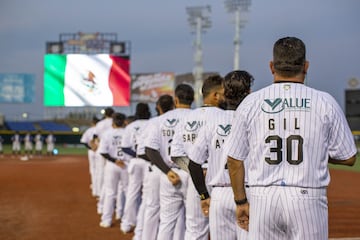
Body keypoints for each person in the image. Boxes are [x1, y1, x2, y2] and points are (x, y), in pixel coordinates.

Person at [226, 36, 357, 240]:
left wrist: (241, 201)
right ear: (306, 66)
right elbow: (349, 157)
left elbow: (234, 160)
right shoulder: (325, 102)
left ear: (272, 66)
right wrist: (315, 152)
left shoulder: (251, 103)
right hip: (307, 196)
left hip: (262, 197)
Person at [188, 70, 253, 240]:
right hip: (248, 192)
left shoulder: (212, 122)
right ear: (249, 93)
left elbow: (193, 164)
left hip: (219, 195)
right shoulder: (253, 120)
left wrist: (203, 196)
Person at [170, 74, 225, 240]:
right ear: (215, 95)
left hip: (195, 178)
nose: (227, 97)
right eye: (224, 93)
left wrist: (195, 171)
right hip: (221, 179)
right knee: (224, 230)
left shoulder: (187, 118)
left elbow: (175, 154)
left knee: (195, 230)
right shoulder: (225, 117)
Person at [144, 84, 194, 240]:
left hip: (169, 174)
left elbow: (150, 150)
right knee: (193, 224)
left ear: (176, 100)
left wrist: (167, 171)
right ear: (193, 100)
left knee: (167, 222)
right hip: (194, 175)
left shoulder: (160, 120)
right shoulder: (198, 117)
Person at [133, 95, 174, 240]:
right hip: (178, 170)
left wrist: (159, 162)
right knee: (178, 213)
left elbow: (141, 152)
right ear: (174, 105)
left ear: (158, 106)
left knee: (152, 207)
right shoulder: (185, 120)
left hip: (157, 169)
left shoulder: (153, 122)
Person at [120, 103, 151, 234]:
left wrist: (137, 153)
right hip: (149, 162)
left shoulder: (131, 126)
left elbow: (125, 147)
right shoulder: (152, 123)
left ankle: (127, 223)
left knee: (132, 193)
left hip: (136, 162)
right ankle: (142, 226)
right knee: (147, 196)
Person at [98, 112, 129, 228]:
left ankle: (106, 220)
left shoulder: (107, 133)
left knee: (110, 193)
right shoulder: (128, 132)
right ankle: (125, 220)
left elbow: (103, 152)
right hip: (126, 164)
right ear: (124, 121)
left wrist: (114, 160)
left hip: (112, 165)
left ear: (113, 122)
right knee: (127, 192)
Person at [92, 107, 115, 215]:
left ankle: (100, 194)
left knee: (101, 173)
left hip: (102, 150)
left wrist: (94, 146)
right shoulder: (115, 121)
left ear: (105, 114)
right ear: (113, 113)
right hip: (114, 151)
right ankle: (114, 199)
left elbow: (94, 138)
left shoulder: (100, 124)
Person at [80, 116, 99, 197]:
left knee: (93, 169)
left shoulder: (89, 130)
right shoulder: (100, 130)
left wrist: (90, 148)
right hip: (99, 151)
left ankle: (94, 187)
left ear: (92, 123)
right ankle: (98, 187)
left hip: (91, 152)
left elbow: (83, 142)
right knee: (100, 170)